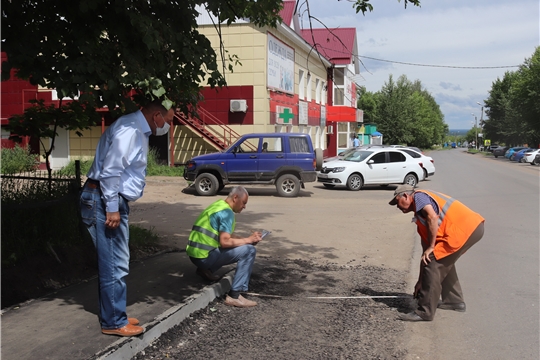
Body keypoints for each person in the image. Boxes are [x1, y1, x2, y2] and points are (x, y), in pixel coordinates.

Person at [80, 100, 175, 336]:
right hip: (105, 200)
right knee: (114, 263)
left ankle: (114, 313)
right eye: (169, 121)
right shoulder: (130, 130)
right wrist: (112, 207)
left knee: (116, 260)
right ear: (156, 116)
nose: (169, 126)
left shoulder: (136, 129)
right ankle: (113, 322)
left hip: (108, 199)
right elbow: (111, 170)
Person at [388, 184, 485, 321]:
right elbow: (425, 255)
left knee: (434, 263)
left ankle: (424, 312)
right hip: (472, 228)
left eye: (397, 202)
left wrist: (432, 246)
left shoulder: (419, 196)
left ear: (406, 196)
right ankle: (454, 301)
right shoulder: (421, 219)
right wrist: (420, 281)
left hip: (464, 229)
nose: (397, 206)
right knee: (439, 261)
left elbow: (433, 217)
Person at [186, 186, 262, 308]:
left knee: (244, 246)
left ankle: (205, 271)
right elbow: (225, 242)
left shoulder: (218, 205)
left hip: (195, 255)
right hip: (204, 258)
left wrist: (247, 240)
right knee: (249, 251)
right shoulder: (227, 213)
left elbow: (227, 236)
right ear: (235, 197)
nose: (244, 207)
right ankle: (235, 296)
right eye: (243, 203)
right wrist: (248, 241)